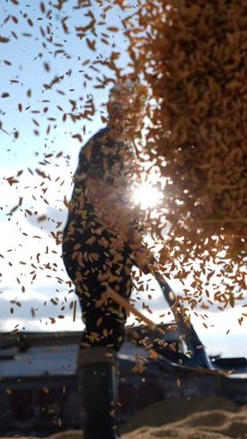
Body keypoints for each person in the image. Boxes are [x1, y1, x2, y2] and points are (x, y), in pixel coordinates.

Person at [61, 82, 147, 439]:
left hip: (112, 251)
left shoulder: (125, 146)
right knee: (103, 327)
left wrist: (134, 242)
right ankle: (98, 432)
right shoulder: (108, 143)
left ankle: (101, 429)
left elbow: (125, 200)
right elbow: (99, 193)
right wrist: (133, 238)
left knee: (109, 329)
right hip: (91, 249)